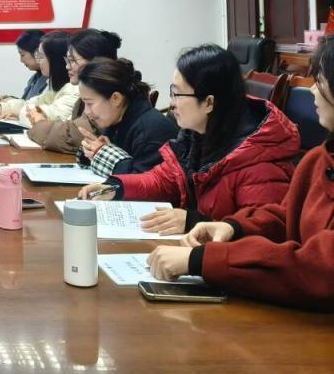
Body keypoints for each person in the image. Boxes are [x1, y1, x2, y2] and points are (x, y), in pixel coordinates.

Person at [147, 36, 334, 310]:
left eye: (321, 82)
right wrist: (234, 227)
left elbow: (320, 270)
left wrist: (201, 260)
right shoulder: (318, 159)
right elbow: (284, 217)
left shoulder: (272, 159)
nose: (313, 91)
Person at [78, 44, 299, 235]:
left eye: (178, 94)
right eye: (172, 92)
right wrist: (116, 187)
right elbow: (163, 180)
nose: (171, 103)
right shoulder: (197, 138)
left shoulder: (260, 163)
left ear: (209, 103)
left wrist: (194, 222)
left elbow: (264, 232)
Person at [74, 57, 178, 176]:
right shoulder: (118, 119)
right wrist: (92, 151)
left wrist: (103, 155)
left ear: (116, 99)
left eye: (89, 103)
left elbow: (144, 181)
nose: (86, 111)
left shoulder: (150, 131)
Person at [28, 28, 122, 153]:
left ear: (94, 61)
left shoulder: (103, 93)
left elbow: (69, 136)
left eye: (72, 61)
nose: (67, 66)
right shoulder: (87, 93)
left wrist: (39, 122)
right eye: (67, 60)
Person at [0, 31, 79, 127]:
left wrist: (18, 114)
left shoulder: (74, 89)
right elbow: (30, 104)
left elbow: (47, 116)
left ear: (55, 59)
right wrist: (0, 108)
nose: (38, 61)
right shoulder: (54, 86)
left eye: (41, 56)